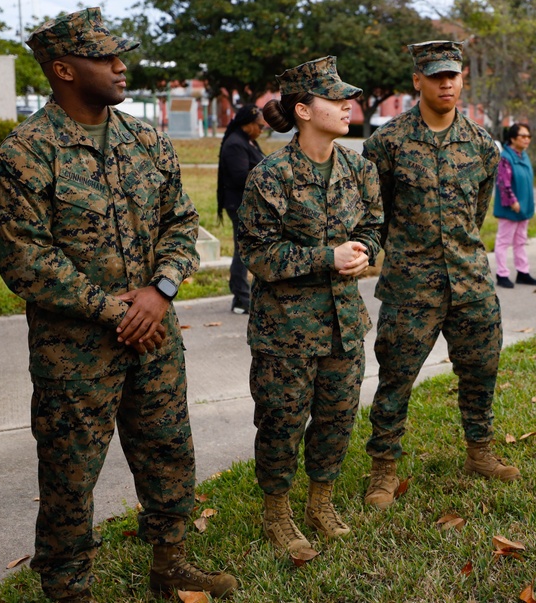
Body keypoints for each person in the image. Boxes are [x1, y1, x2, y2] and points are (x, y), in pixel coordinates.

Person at [0, 8, 236, 602]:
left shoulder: (146, 139)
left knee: (169, 453)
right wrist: (113, 309)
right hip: (74, 354)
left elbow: (181, 222)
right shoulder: (26, 153)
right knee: (71, 477)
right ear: (63, 70)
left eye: (118, 54)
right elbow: (24, 260)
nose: (120, 66)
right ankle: (69, 589)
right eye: (104, 57)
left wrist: (161, 290)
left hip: (156, 339)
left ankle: (171, 566)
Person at [362, 40, 520, 510]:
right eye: (435, 75)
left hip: (471, 281)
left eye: (453, 74)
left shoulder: (481, 144)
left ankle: (480, 451)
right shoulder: (386, 144)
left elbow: (477, 211)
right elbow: (376, 213)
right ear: (418, 81)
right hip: (411, 284)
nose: (446, 83)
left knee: (481, 370)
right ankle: (383, 469)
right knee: (396, 379)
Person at [237, 56, 382, 553]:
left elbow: (374, 228)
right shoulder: (270, 176)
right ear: (303, 109)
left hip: (344, 323)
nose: (348, 106)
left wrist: (365, 254)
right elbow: (257, 254)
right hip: (286, 332)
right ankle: (276, 514)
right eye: (335, 99)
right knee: (281, 421)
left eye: (349, 98)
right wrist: (328, 256)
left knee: (337, 417)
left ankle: (320, 502)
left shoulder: (360, 169)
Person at [217, 104, 266, 314]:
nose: (262, 130)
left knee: (247, 249)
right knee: (243, 251)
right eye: (260, 126)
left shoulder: (248, 142)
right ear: (248, 125)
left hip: (248, 206)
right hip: (239, 206)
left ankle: (245, 295)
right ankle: (240, 298)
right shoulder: (235, 144)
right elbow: (240, 177)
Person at [493, 122, 536, 289]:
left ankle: (523, 272)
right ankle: (502, 274)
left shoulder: (524, 156)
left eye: (529, 136)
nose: (527, 139)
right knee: (503, 242)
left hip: (524, 208)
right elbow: (503, 183)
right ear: (513, 138)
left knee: (520, 241)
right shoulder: (506, 158)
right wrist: (513, 201)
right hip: (511, 208)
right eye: (523, 136)